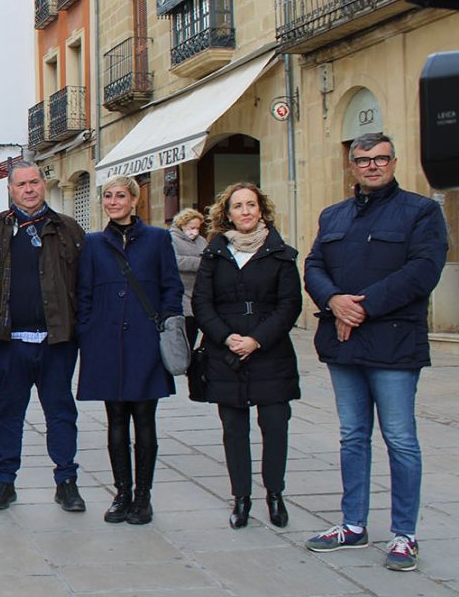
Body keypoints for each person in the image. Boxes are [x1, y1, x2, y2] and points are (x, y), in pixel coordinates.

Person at [302, 132, 448, 572]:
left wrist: (359, 307)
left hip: (393, 344)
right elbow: (313, 265)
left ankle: (404, 534)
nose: (372, 166)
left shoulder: (422, 212)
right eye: (363, 159)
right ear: (351, 165)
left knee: (401, 440)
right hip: (343, 346)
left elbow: (423, 270)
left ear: (394, 162)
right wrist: (333, 301)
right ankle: (352, 525)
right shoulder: (334, 215)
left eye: (380, 158)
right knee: (352, 436)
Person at [0, 161, 86, 513]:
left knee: (60, 412)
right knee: (8, 411)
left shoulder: (67, 228)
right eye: (21, 184)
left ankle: (66, 482)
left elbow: (83, 284)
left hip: (57, 341)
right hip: (9, 341)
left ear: (44, 184)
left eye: (34, 182)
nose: (29, 189)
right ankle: (4, 482)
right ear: (10, 189)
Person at [192, 183, 302, 530]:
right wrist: (226, 337)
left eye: (251, 205)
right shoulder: (214, 253)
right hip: (227, 353)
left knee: (275, 426)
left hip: (270, 352)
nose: (245, 211)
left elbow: (289, 305)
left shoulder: (279, 252)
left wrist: (256, 339)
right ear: (228, 213)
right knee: (234, 430)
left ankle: (274, 494)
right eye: (238, 206)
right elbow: (201, 303)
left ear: (261, 209)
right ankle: (241, 497)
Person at [76, 175, 182, 525]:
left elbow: (171, 287)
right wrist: (88, 330)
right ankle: (121, 493)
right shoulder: (93, 243)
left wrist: (163, 325)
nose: (113, 201)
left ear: (134, 200)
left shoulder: (158, 239)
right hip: (105, 342)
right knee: (116, 419)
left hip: (144, 341)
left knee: (145, 420)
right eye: (108, 196)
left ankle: (143, 496)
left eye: (120, 195)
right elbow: (84, 292)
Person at [171, 208, 208, 346]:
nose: (195, 231)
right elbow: (174, 261)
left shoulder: (201, 241)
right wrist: (199, 263)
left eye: (198, 228)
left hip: (200, 295)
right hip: (183, 297)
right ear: (183, 224)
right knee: (186, 339)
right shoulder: (171, 239)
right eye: (192, 227)